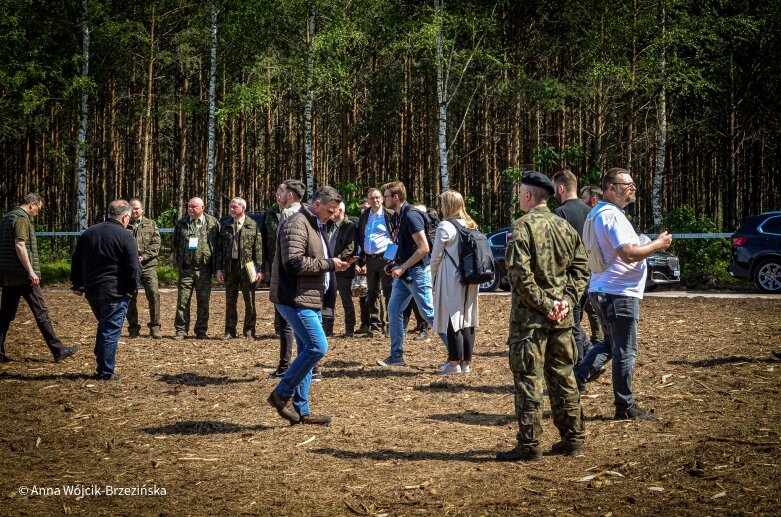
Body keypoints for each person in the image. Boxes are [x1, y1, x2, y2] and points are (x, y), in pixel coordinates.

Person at [496, 172, 589, 462]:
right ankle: (572, 438)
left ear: (527, 196)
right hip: (561, 319)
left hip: (530, 322)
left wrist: (546, 304)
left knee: (528, 380)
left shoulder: (521, 227)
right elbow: (582, 269)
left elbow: (519, 277)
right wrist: (565, 301)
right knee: (564, 378)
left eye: (520, 192)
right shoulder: (565, 227)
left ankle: (530, 444)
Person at [574, 167, 673, 420]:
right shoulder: (611, 216)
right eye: (625, 183)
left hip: (604, 290)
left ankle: (572, 381)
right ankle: (625, 407)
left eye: (632, 182)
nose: (632, 187)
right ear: (609, 188)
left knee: (609, 344)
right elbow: (628, 254)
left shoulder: (602, 213)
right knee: (625, 351)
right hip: (618, 294)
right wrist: (658, 244)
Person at [266, 186, 350, 425]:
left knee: (307, 351)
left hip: (310, 298)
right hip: (294, 298)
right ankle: (281, 394)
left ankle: (302, 410)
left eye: (336, 212)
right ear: (317, 204)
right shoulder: (297, 223)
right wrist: (329, 264)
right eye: (330, 210)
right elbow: (293, 262)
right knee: (317, 347)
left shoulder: (316, 225)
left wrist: (333, 265)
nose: (333, 215)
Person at [0, 193, 79, 363]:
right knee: (41, 313)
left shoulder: (7, 217)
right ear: (32, 204)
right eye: (38, 209)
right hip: (22, 275)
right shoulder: (21, 218)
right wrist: (31, 271)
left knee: (5, 315)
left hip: (8, 274)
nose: (37, 212)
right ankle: (58, 350)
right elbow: (20, 245)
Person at [71, 200, 140, 380]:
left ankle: (101, 356)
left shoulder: (89, 233)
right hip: (116, 292)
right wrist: (132, 289)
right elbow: (134, 267)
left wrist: (78, 284)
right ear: (125, 217)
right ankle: (105, 371)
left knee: (104, 326)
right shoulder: (125, 236)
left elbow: (76, 261)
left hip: (93, 291)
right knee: (110, 330)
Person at [376, 181, 439, 367]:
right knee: (394, 310)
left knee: (428, 314)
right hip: (404, 274)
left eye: (385, 196)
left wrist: (402, 267)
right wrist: (391, 262)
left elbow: (423, 248)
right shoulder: (397, 216)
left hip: (417, 272)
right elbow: (398, 243)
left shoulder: (411, 216)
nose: (383, 199)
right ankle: (396, 356)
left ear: (395, 197)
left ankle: (457, 352)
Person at [430, 190, 479, 375]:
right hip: (472, 277)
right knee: (468, 318)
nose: (441, 207)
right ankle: (466, 363)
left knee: (453, 318)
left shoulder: (445, 226)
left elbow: (436, 257)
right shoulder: (471, 224)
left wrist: (433, 278)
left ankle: (453, 364)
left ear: (448, 206)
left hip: (451, 276)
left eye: (443, 203)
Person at [553, 169, 593, 363]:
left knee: (574, 326)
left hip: (570, 279)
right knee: (577, 321)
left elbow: (558, 251)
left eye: (555, 189)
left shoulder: (560, 213)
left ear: (561, 188)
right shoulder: (591, 212)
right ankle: (589, 358)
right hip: (590, 276)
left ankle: (581, 372)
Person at [268, 180, 306, 379]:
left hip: (289, 278)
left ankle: (288, 368)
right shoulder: (305, 212)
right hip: (294, 277)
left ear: (289, 195)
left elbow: (288, 252)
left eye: (280, 191)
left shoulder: (289, 214)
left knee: (288, 324)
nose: (277, 195)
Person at [172, 197, 219, 339]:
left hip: (205, 269)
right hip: (187, 269)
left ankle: (201, 330)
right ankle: (181, 330)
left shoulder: (213, 223)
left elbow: (218, 246)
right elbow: (175, 243)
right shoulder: (182, 223)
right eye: (189, 207)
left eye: (194, 207)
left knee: (203, 302)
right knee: (182, 301)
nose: (190, 209)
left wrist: (217, 267)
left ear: (202, 208)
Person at [216, 197, 263, 340]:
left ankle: (249, 331)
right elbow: (219, 249)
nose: (231, 209)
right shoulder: (225, 224)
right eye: (231, 206)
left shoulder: (252, 225)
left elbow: (258, 249)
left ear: (243, 208)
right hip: (230, 267)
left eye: (235, 207)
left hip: (247, 267)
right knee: (230, 301)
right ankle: (230, 331)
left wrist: (260, 269)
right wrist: (218, 269)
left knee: (249, 301)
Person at [356, 188, 394, 338]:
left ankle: (392, 326)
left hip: (386, 258)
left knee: (389, 293)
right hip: (370, 259)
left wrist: (391, 258)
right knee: (372, 293)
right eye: (372, 198)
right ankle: (376, 326)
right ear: (368, 200)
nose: (375, 200)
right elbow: (361, 237)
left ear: (382, 199)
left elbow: (395, 237)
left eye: (378, 197)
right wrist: (362, 257)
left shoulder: (389, 215)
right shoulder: (365, 216)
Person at [126, 198, 162, 339]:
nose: (134, 211)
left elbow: (156, 244)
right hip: (130, 267)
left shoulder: (151, 224)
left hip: (148, 266)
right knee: (130, 297)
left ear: (142, 209)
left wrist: (143, 257)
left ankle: (155, 327)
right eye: (131, 208)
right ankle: (133, 329)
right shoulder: (124, 224)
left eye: (136, 208)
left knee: (153, 295)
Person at [325, 202, 358, 337]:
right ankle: (327, 328)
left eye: (333, 211)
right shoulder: (328, 225)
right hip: (329, 268)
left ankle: (349, 328)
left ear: (340, 210)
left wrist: (338, 260)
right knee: (327, 300)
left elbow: (351, 247)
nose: (330, 214)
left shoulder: (349, 226)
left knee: (346, 300)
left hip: (343, 269)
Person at [579, 185, 604, 344]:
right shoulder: (590, 216)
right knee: (590, 305)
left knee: (591, 305)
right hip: (591, 269)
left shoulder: (597, 218)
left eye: (584, 198)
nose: (582, 202)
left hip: (595, 269)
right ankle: (598, 337)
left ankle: (598, 339)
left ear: (593, 199)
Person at [355, 198, 371, 334]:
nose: (362, 210)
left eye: (365, 208)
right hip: (360, 262)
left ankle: (376, 324)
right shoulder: (359, 222)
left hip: (372, 262)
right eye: (361, 208)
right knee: (362, 294)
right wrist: (357, 262)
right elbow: (357, 245)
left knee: (373, 294)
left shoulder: (373, 221)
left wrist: (366, 263)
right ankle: (364, 324)